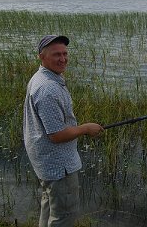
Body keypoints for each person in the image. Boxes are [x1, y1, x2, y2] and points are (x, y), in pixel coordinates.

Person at [23, 35, 104, 227]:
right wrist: (85, 128)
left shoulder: (43, 77)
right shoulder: (48, 89)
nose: (63, 59)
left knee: (50, 206)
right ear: (41, 57)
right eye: (56, 54)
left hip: (46, 162)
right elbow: (57, 135)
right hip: (58, 166)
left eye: (65, 53)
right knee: (64, 216)